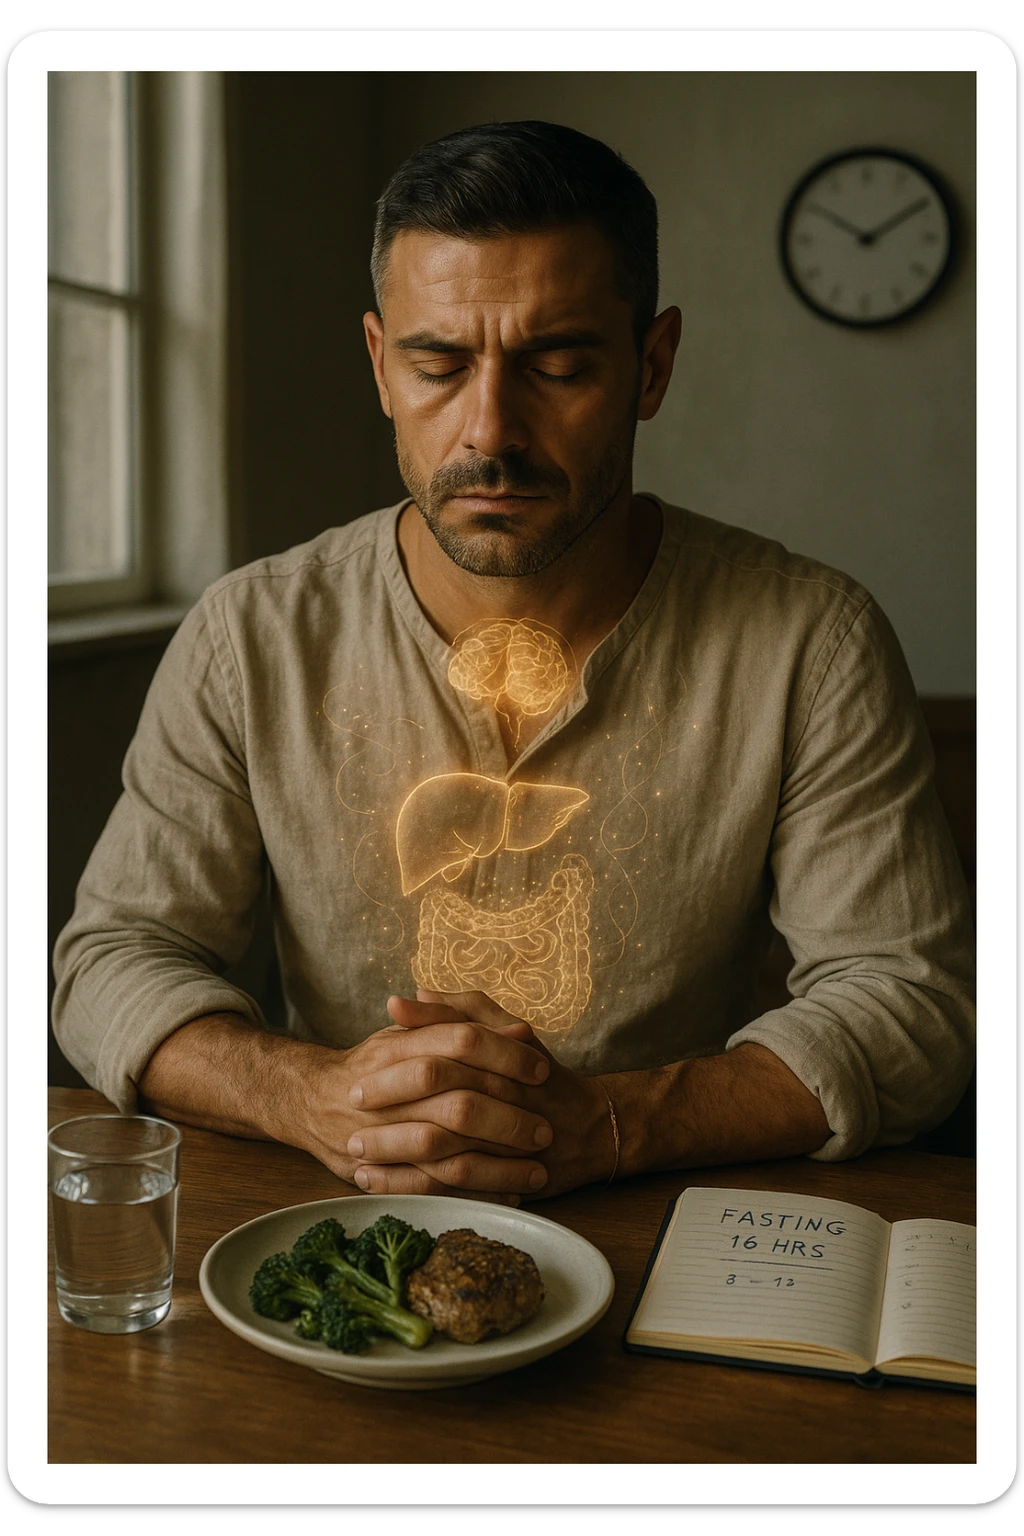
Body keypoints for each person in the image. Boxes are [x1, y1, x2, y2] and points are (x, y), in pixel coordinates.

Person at [52, 120, 974, 1201]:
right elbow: (112, 961)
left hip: (664, 1215)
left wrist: (609, 1125)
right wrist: (308, 1096)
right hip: (338, 1217)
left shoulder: (811, 641)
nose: (490, 429)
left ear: (652, 364)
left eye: (558, 364)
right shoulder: (249, 635)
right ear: (380, 368)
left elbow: (907, 1004)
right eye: (437, 364)